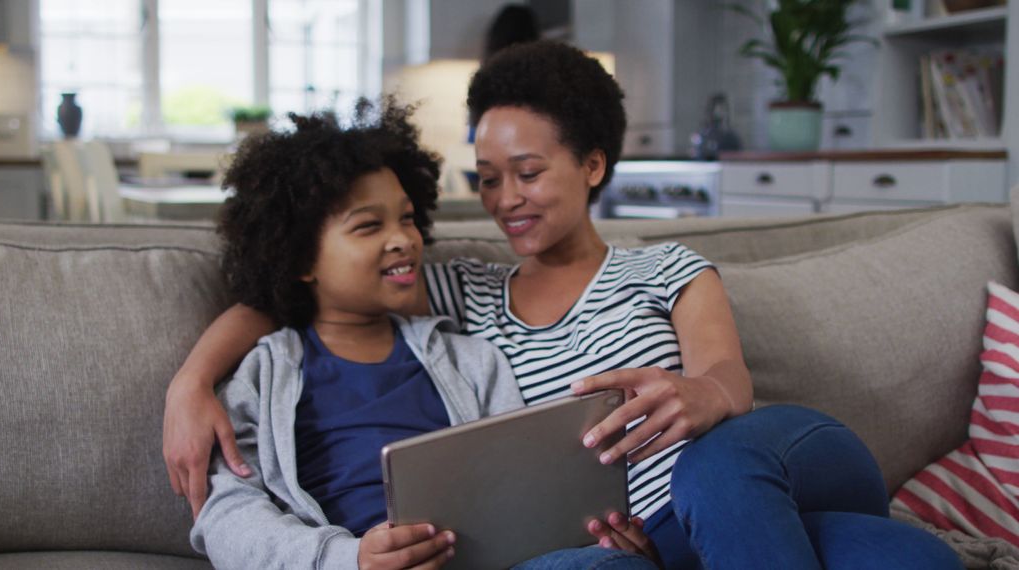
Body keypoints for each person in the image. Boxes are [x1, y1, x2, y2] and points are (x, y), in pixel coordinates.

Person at [167, 42, 962, 569]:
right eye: (486, 177)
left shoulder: (667, 268)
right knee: (908, 559)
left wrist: (701, 395)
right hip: (664, 543)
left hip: (777, 459)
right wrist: (192, 380)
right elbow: (303, 297)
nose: (505, 199)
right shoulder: (456, 295)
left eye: (528, 171)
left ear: (591, 164)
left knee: (722, 464)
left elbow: (728, 378)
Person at [190, 99, 659, 569]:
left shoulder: (472, 360)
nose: (403, 239)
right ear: (299, 260)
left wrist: (594, 535)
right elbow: (227, 514)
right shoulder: (264, 373)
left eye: (408, 218)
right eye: (369, 225)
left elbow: (528, 489)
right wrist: (349, 559)